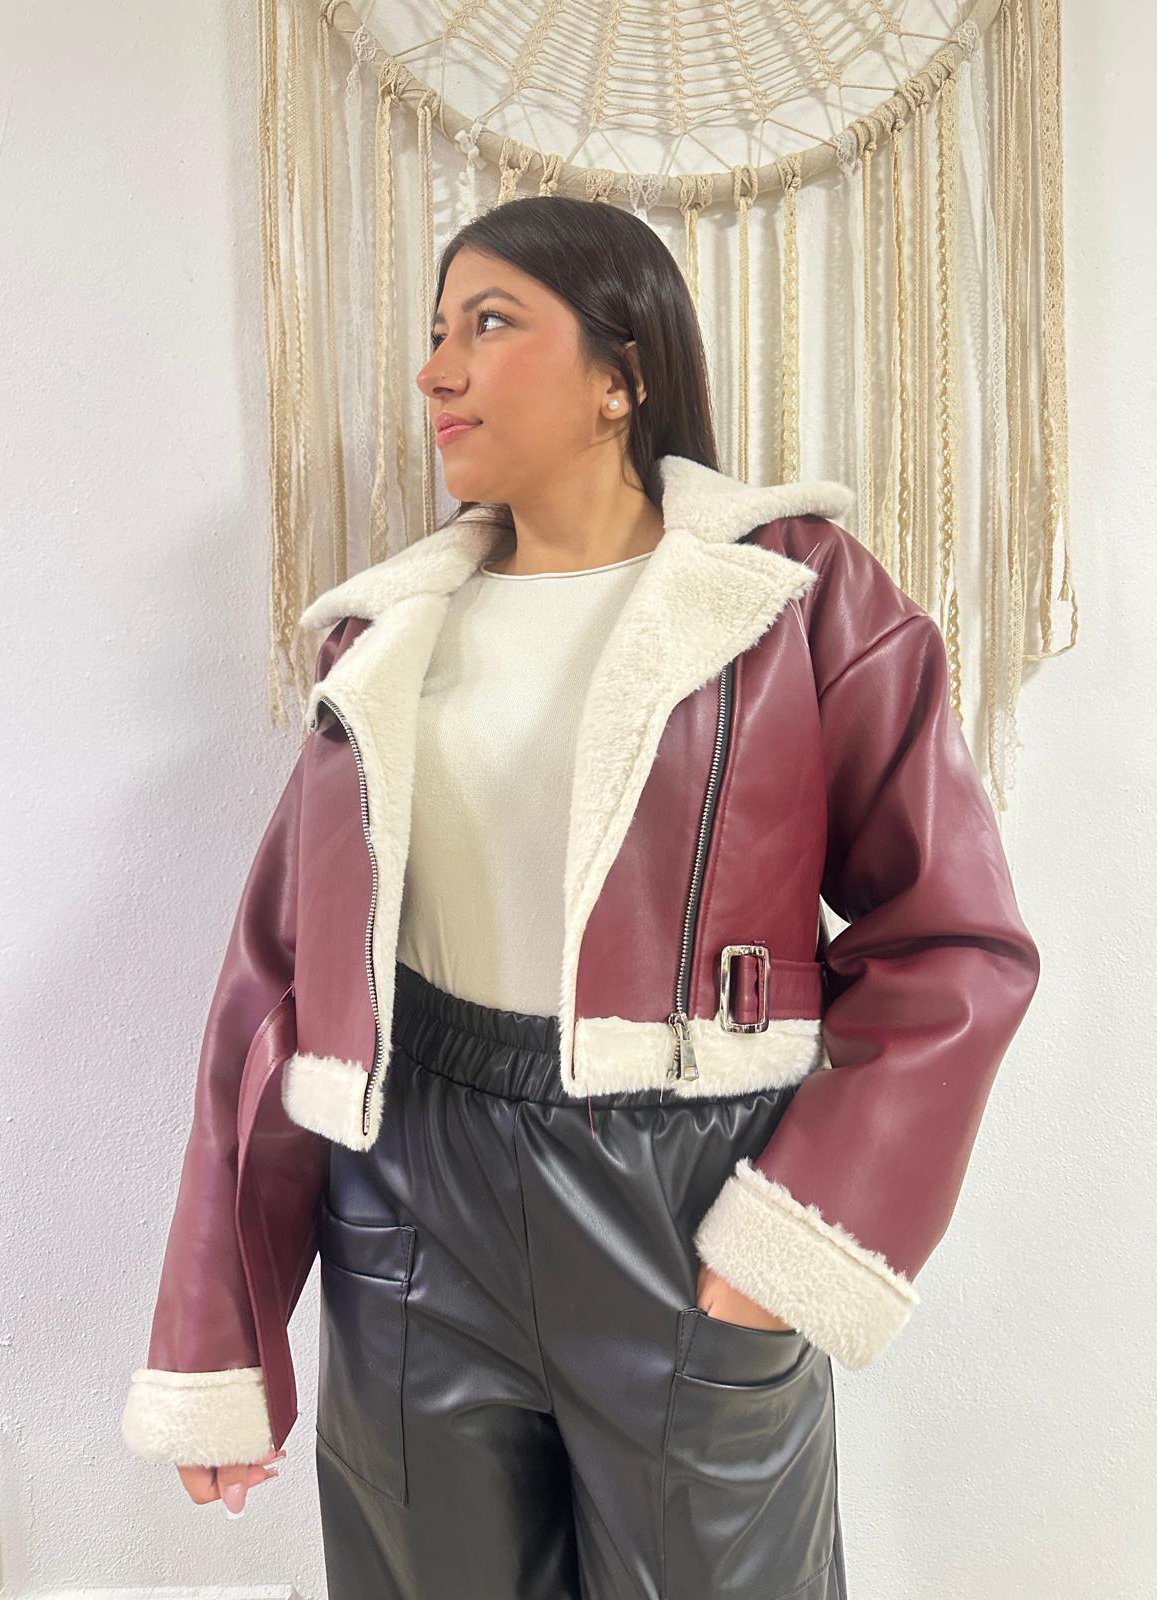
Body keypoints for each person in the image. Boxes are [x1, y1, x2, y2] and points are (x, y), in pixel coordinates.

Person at [121, 195, 1040, 1600]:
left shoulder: (792, 597)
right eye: (437, 333)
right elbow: (278, 994)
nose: (437, 370)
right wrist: (220, 1341)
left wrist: (784, 1248)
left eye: (489, 325)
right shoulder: (387, 641)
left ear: (623, 372)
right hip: (412, 1204)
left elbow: (953, 941)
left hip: (683, 1196)